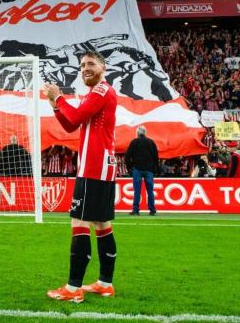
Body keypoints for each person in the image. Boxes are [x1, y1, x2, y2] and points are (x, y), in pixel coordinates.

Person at [43, 50, 118, 303]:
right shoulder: (95, 95)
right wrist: (56, 106)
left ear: (103, 67)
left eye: (90, 63)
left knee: (79, 222)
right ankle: (105, 284)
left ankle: (73, 288)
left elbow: (73, 116)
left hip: (94, 166)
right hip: (102, 166)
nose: (85, 67)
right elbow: (70, 125)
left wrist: (59, 98)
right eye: (82, 65)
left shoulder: (101, 90)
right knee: (102, 224)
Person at [125, 126, 159, 216]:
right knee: (150, 191)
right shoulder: (151, 142)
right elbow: (156, 157)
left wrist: (130, 167)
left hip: (137, 169)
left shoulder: (134, 142)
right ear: (145, 133)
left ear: (137, 133)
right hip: (149, 170)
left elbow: (127, 156)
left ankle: (136, 210)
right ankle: (152, 210)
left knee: (137, 190)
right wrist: (155, 168)